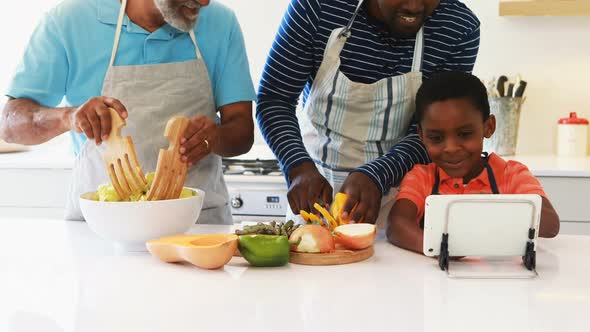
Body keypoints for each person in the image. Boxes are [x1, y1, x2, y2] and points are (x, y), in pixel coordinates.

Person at [0, 0, 256, 224]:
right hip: (101, 231)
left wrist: (215, 138)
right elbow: (9, 125)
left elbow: (242, 130)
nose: (204, 1)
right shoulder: (67, 22)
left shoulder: (221, 23)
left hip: (198, 227)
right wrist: (69, 117)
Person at [256, 0, 480, 226]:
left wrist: (376, 174)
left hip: (401, 202)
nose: (414, 6)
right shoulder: (317, 7)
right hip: (313, 195)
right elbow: (275, 99)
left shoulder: (458, 28)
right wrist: (298, 167)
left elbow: (433, 133)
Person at [387, 71, 560, 254]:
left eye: (464, 134)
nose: (451, 148)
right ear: (421, 135)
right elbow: (396, 225)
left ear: (489, 127)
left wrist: (481, 211)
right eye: (436, 138)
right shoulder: (421, 178)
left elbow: (550, 224)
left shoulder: (512, 175)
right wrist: (441, 248)